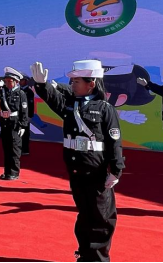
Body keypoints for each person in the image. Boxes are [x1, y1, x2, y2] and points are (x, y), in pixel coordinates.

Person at [31, 60, 125, 263]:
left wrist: (116, 170)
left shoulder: (104, 108)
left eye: (76, 81)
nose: (72, 85)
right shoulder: (70, 105)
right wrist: (42, 85)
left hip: (97, 171)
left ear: (91, 84)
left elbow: (114, 141)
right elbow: (53, 99)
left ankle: (98, 259)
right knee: (85, 214)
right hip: (76, 170)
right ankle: (85, 253)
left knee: (101, 216)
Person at [0, 67, 29, 180]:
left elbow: (24, 111)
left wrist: (23, 126)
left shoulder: (21, 93)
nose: (7, 83)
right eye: (6, 81)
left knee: (14, 149)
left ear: (16, 81)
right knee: (6, 148)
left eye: (9, 81)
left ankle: (14, 172)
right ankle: (7, 171)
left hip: (15, 124)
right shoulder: (4, 92)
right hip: (5, 123)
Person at [19, 74, 35, 156]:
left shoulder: (29, 92)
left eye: (22, 80)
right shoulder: (18, 90)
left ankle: (25, 149)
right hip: (18, 114)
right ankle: (18, 148)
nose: (20, 82)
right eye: (20, 80)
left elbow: (31, 104)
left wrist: (30, 115)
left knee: (25, 132)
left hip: (26, 115)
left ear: (26, 81)